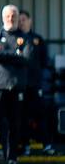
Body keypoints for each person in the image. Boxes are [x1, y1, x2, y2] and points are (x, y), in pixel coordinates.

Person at [0, 4, 28, 164]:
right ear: (3, 18)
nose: (11, 19)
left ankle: (11, 160)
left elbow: (26, 58)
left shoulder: (24, 38)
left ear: (17, 18)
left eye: (14, 16)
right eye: (8, 16)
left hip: (16, 88)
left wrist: (5, 54)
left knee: (13, 125)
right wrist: (15, 55)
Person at [18, 9, 49, 152]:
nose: (21, 22)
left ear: (30, 21)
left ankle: (46, 145)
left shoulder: (38, 39)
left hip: (35, 84)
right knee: (22, 115)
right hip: (20, 85)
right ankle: (25, 145)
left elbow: (45, 60)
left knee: (41, 113)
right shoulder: (15, 38)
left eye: (24, 19)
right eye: (19, 20)